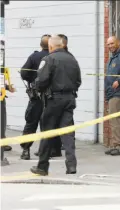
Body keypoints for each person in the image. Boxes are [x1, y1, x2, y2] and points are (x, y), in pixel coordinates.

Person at [30, 35, 81, 175]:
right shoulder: (72, 59)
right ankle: (71, 166)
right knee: (68, 133)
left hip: (54, 100)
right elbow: (78, 81)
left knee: (47, 131)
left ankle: (42, 166)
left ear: (51, 46)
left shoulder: (49, 59)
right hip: (70, 98)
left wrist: (36, 89)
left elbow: (41, 80)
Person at [20, 34, 62, 160]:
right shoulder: (56, 57)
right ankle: (52, 150)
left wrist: (31, 81)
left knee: (31, 123)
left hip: (36, 96)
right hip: (51, 97)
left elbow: (24, 73)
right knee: (51, 123)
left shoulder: (34, 56)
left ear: (41, 45)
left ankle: (26, 150)